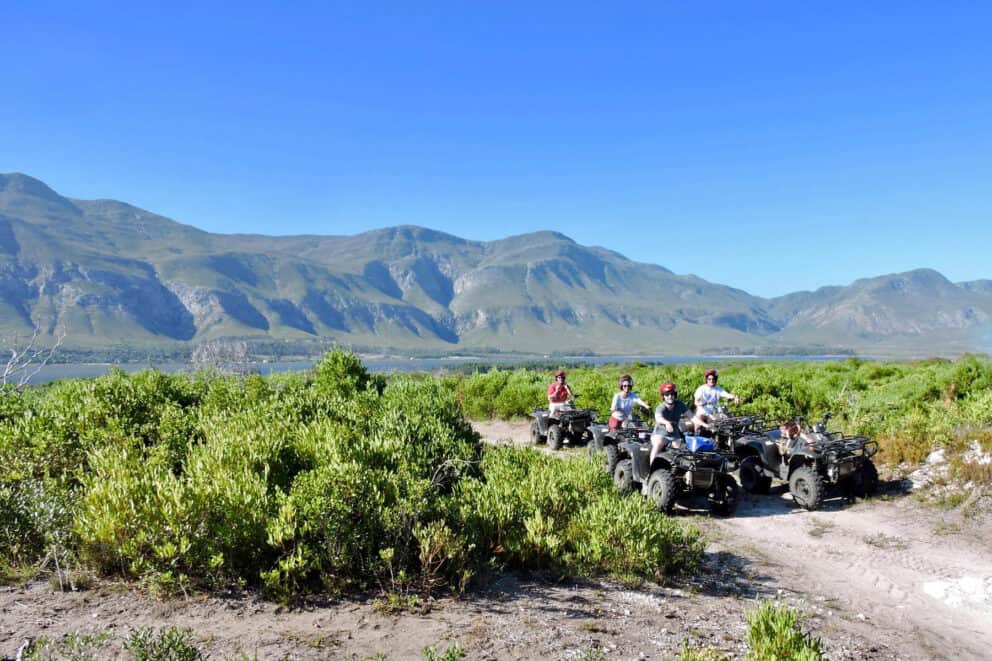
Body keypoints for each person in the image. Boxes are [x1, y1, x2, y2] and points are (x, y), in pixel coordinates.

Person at [651, 381, 690, 464]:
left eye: (672, 394)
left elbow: (692, 416)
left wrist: (704, 424)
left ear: (675, 395)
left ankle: (686, 473)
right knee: (658, 444)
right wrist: (666, 423)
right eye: (667, 394)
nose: (670, 396)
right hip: (660, 434)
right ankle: (651, 467)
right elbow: (658, 418)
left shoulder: (680, 405)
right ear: (663, 396)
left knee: (685, 450)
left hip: (674, 436)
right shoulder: (661, 407)